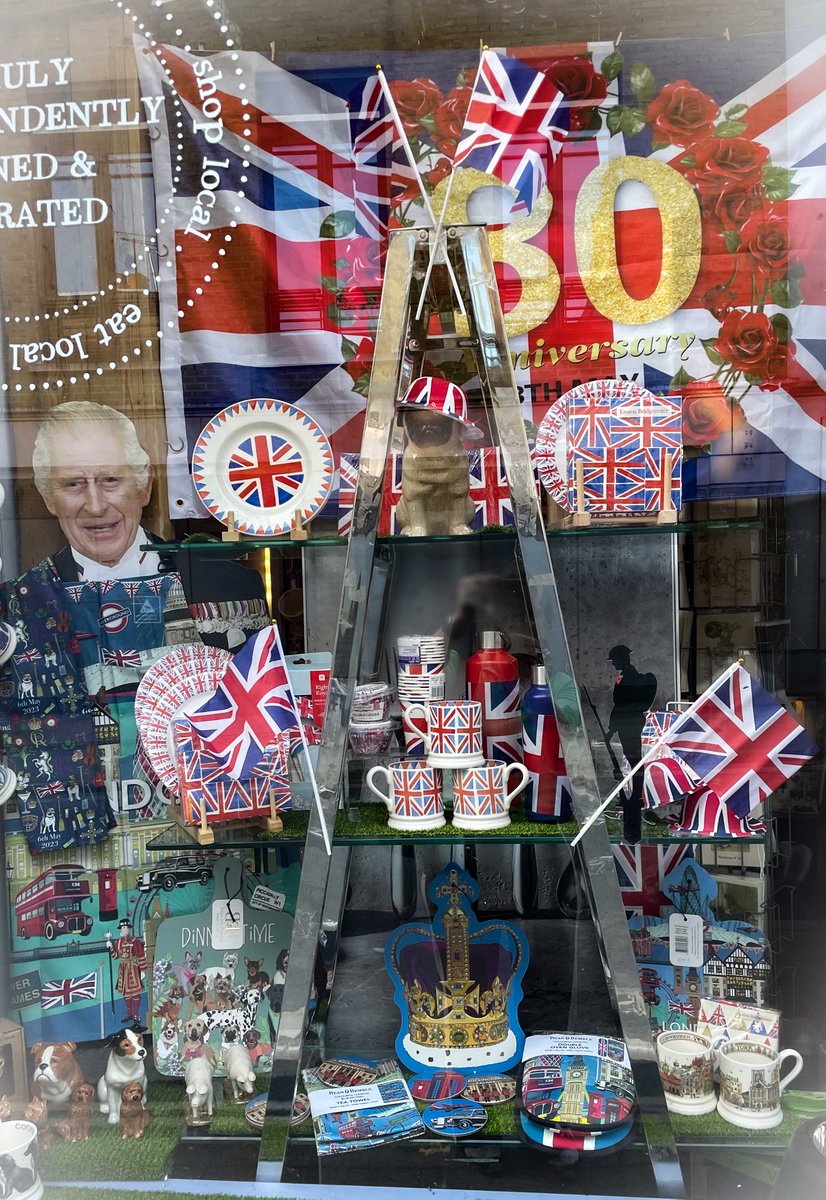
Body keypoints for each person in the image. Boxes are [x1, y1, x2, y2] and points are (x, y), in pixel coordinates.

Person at [0, 402, 179, 854]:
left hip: (207, 836)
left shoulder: (216, 577)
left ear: (144, 486)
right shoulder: (14, 608)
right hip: (74, 852)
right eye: (73, 484)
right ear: (47, 498)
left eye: (111, 480)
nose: (95, 504)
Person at [606, 645, 657, 844]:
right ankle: (632, 794)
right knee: (631, 757)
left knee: (634, 758)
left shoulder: (630, 676)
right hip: (624, 722)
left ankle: (635, 794)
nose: (614, 664)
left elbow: (622, 704)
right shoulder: (624, 675)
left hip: (630, 722)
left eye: (616, 660)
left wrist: (612, 726)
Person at [107, 917, 147, 1027]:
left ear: (128, 928)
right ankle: (129, 1013)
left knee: (135, 993)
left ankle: (136, 1014)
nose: (123, 929)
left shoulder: (135, 941)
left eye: (124, 927)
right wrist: (110, 948)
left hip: (133, 969)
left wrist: (143, 970)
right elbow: (116, 956)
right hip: (123, 970)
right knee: (126, 993)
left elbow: (141, 956)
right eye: (122, 927)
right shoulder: (119, 942)